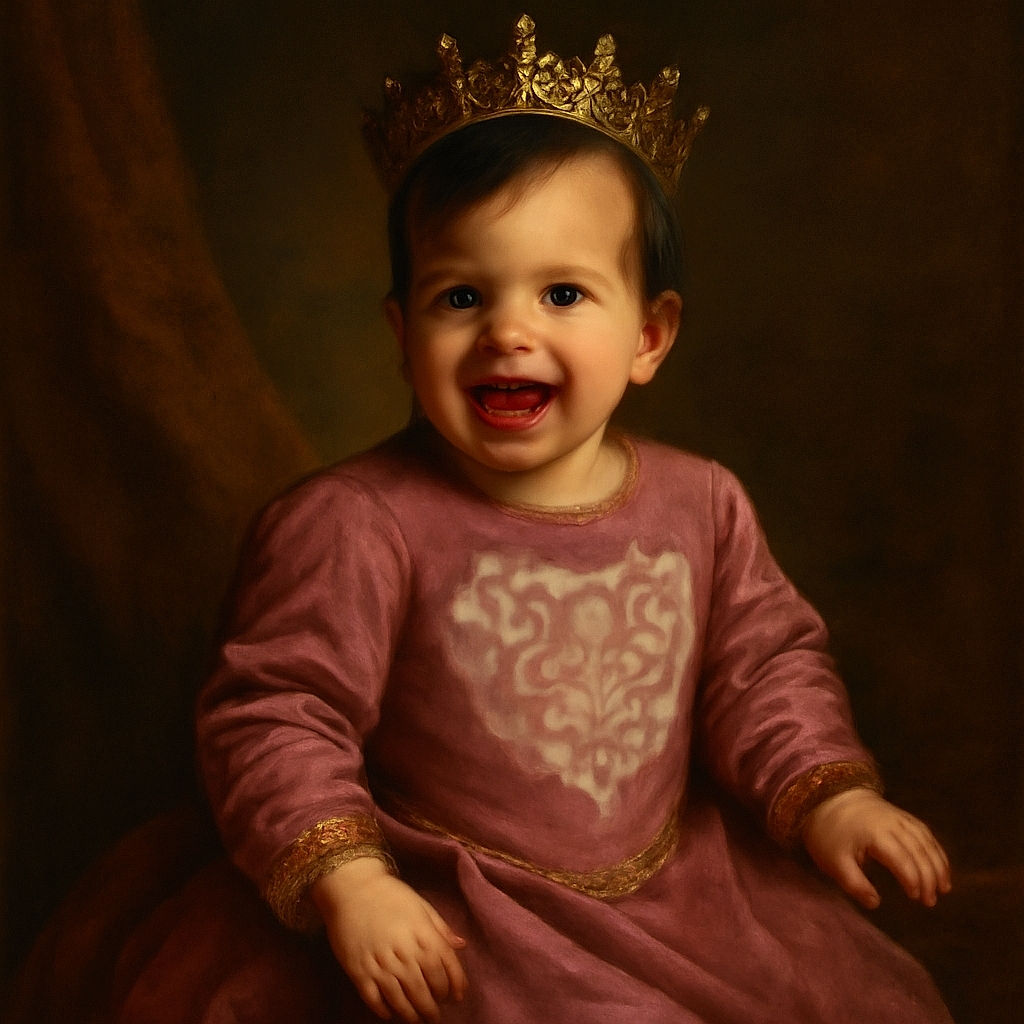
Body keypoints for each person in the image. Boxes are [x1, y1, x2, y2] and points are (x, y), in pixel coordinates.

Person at [197, 15, 954, 1023]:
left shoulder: (703, 501)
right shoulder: (351, 521)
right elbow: (279, 710)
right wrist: (355, 883)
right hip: (460, 901)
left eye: (562, 293)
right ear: (400, 330)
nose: (508, 331)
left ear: (648, 334)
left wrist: (828, 796)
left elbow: (763, 669)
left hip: (679, 892)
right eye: (460, 295)